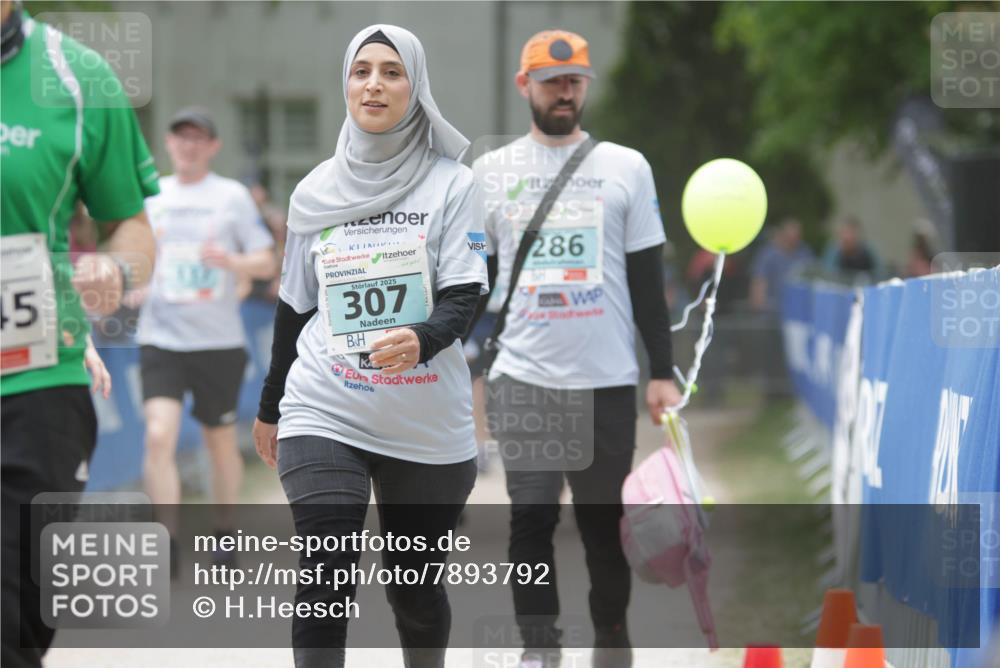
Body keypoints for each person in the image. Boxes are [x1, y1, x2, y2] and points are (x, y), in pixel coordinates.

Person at [251, 25, 488, 668]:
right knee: (327, 567)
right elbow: (295, 307)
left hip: (425, 422)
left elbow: (467, 297)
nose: (374, 84)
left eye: (391, 71)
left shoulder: (453, 186)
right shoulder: (314, 193)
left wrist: (421, 338)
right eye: (362, 71)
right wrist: (272, 405)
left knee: (413, 590)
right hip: (325, 405)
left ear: (416, 88)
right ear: (346, 84)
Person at [472, 29, 682, 668]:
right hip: (525, 376)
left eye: (575, 81)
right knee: (530, 519)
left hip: (606, 379)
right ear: (524, 86)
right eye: (551, 81)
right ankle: (540, 647)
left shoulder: (626, 167)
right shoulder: (490, 172)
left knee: (601, 528)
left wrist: (662, 372)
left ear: (586, 84)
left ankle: (611, 637)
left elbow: (648, 281)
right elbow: (472, 277)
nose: (565, 92)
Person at [1, 2, 158, 664]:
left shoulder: (75, 76)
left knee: (13, 612)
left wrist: (115, 269)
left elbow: (133, 227)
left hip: (36, 376)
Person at [133, 107, 276, 561]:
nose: (188, 145)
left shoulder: (231, 197)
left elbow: (266, 262)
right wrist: (134, 283)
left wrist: (232, 263)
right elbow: (135, 256)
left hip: (218, 341)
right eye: (180, 137)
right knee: (158, 435)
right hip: (161, 337)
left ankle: (224, 528)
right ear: (169, 144)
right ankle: (167, 538)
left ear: (212, 146)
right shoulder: (150, 195)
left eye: (198, 138)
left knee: (219, 441)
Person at [749, 217, 814, 312]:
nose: (793, 241)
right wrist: (759, 308)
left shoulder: (805, 254)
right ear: (783, 235)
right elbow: (759, 282)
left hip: (798, 309)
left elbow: (813, 281)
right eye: (789, 238)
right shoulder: (768, 255)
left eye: (796, 238)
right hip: (771, 310)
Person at [822, 215, 882, 280]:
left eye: (851, 233)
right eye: (844, 233)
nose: (847, 237)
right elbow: (827, 275)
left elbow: (879, 273)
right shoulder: (834, 251)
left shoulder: (868, 252)